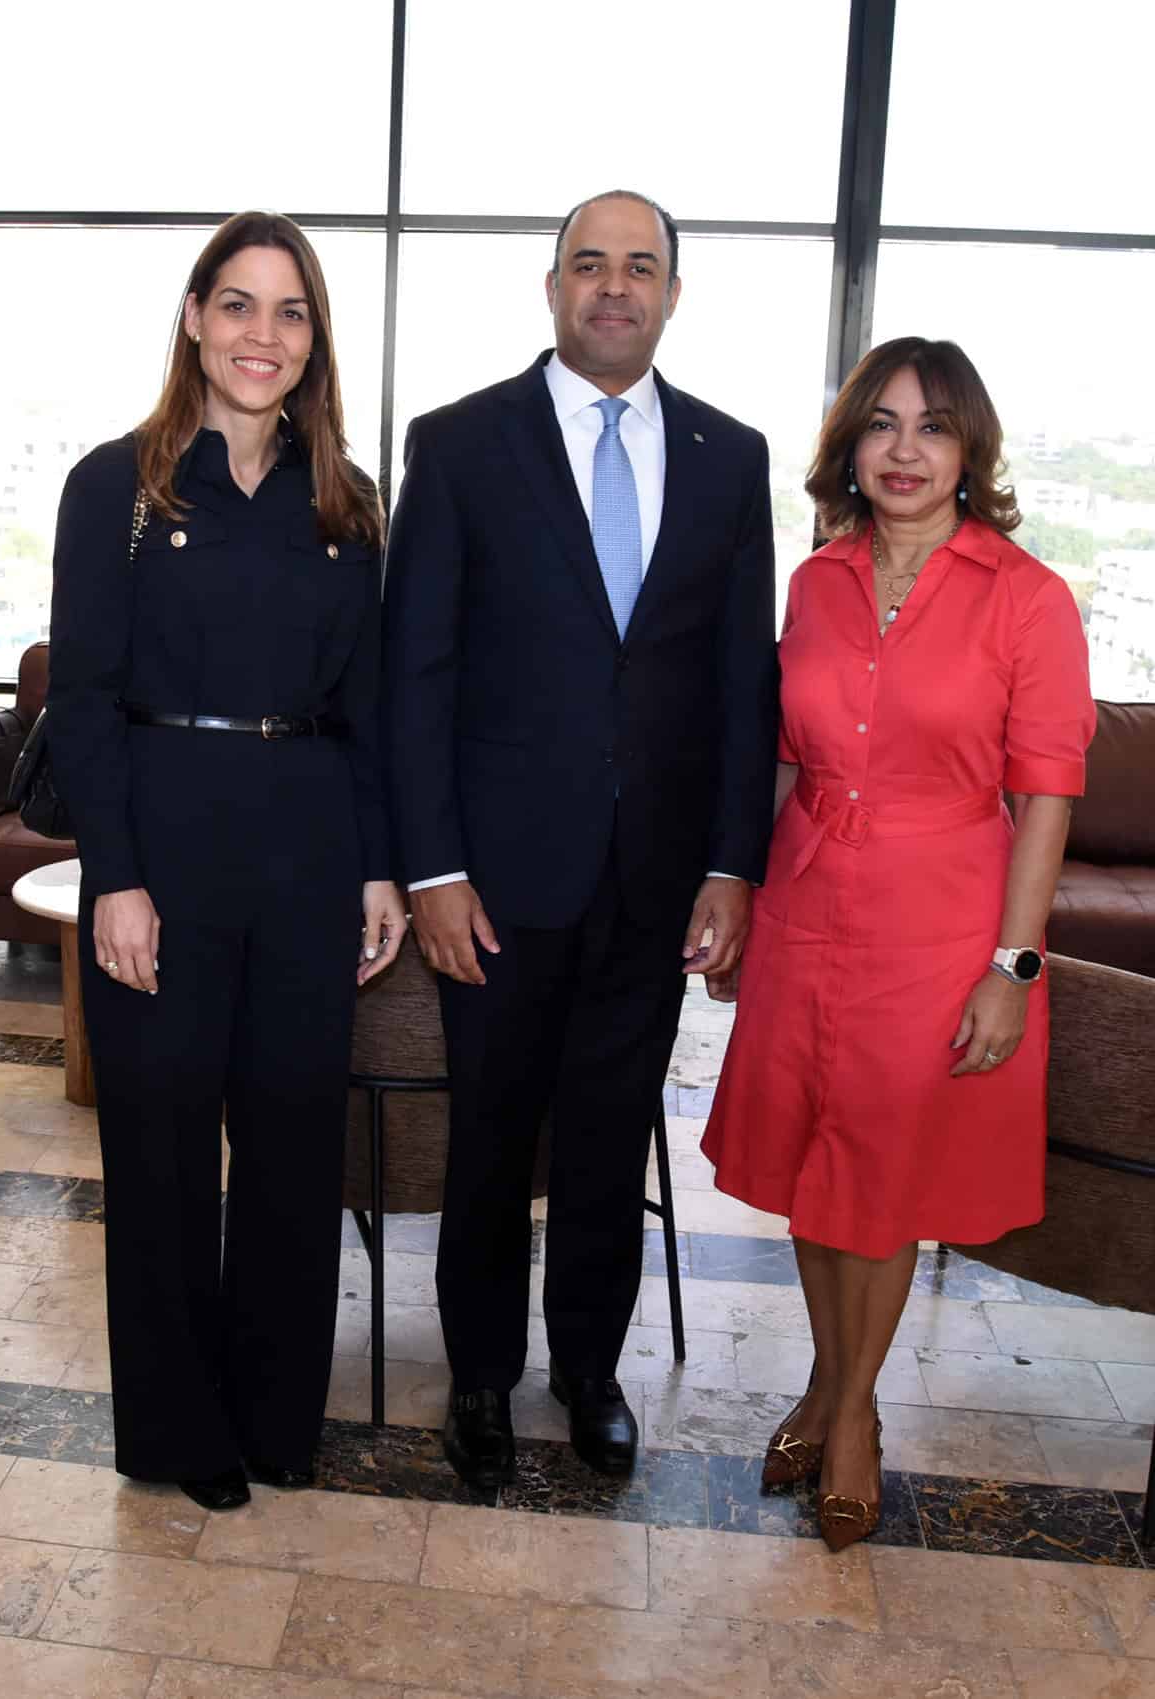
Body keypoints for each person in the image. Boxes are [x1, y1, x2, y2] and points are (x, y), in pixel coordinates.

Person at [383, 190, 777, 1486]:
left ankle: (589, 1374)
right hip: (492, 881)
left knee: (610, 1135)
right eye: (589, 264)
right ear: (550, 286)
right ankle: (483, 1380)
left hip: (655, 882)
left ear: (671, 293)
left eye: (640, 266)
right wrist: (430, 865)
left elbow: (740, 684)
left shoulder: (730, 455)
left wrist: (731, 860)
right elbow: (416, 673)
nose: (614, 286)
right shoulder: (458, 444)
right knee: (491, 1133)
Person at [702, 336, 1096, 1550]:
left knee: (881, 1176)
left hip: (942, 918)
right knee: (820, 1165)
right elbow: (783, 756)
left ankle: (854, 1413)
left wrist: (1013, 967)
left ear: (969, 446)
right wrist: (745, 895)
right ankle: (828, 1379)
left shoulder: (1027, 597)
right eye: (881, 424)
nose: (906, 449)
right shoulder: (816, 581)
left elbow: (1047, 798)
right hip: (811, 903)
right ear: (851, 448)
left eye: (931, 426)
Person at [46, 211, 406, 1512]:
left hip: (308, 848)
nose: (264, 335)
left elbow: (368, 709)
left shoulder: (346, 503)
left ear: (315, 341)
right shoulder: (118, 487)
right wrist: (117, 877)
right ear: (195, 317)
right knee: (157, 1149)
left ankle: (272, 1416)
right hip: (166, 846)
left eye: (291, 310)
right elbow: (82, 701)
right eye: (239, 304)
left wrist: (376, 868)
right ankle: (176, 1427)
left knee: (295, 1148)